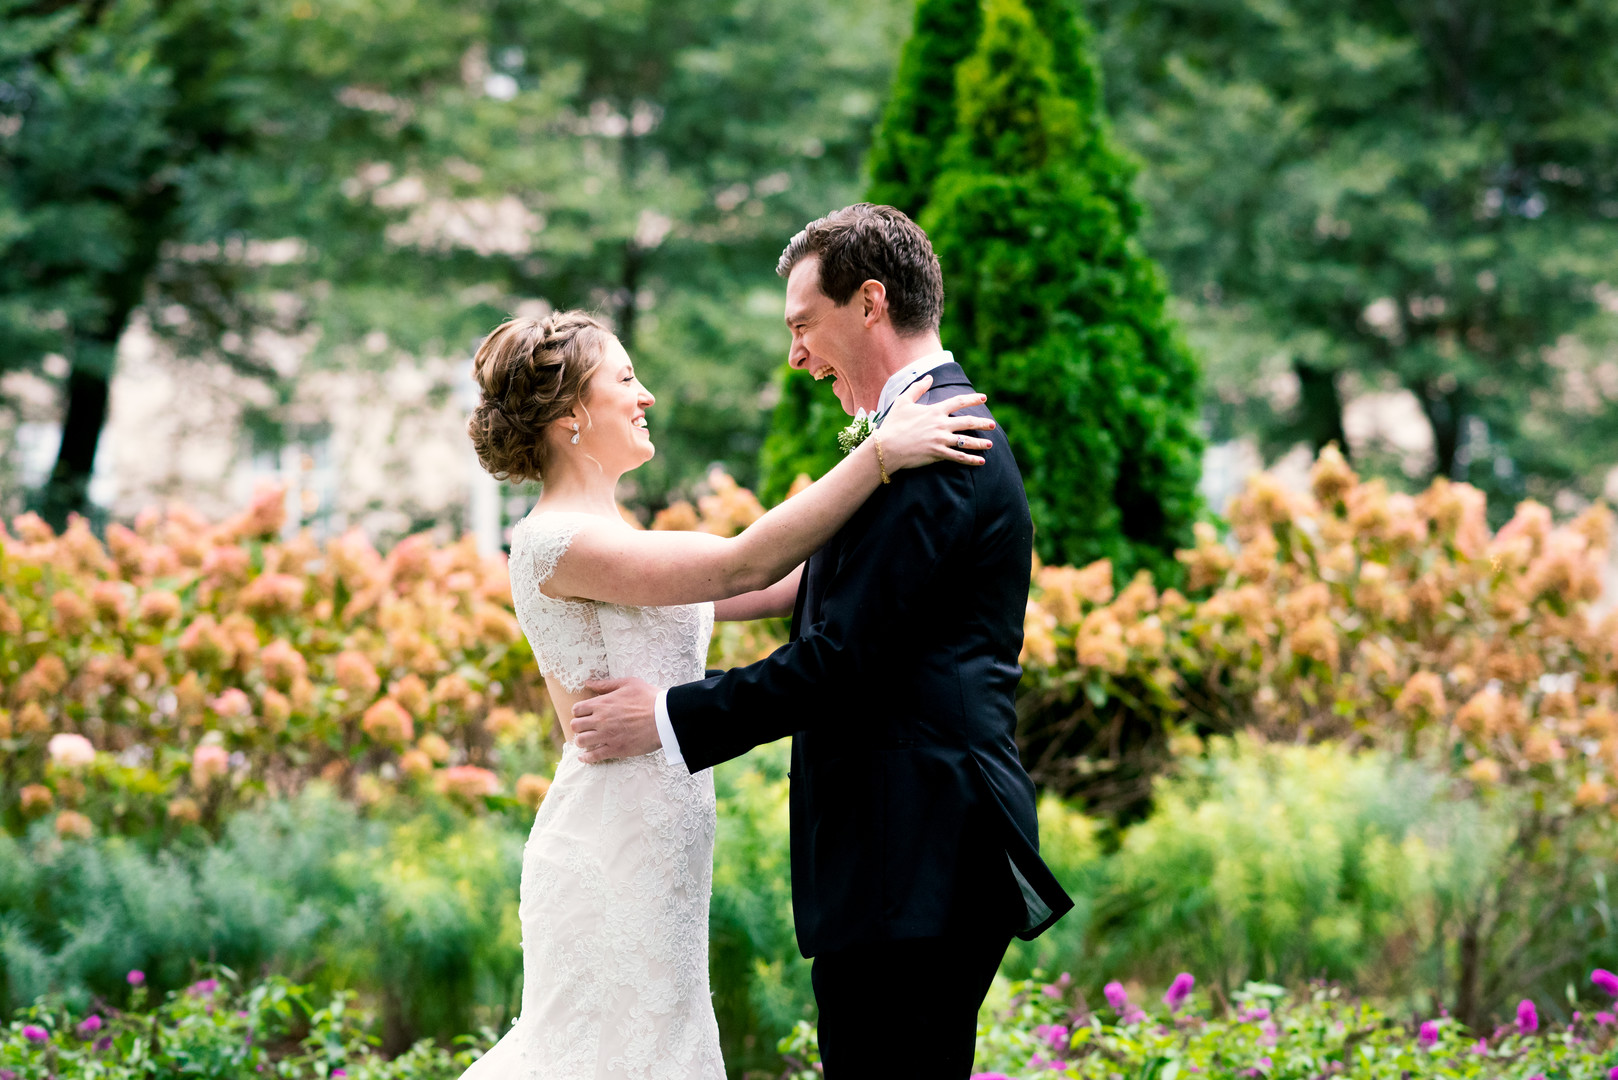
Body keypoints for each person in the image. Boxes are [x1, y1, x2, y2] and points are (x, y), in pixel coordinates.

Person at [572, 203, 1074, 1077]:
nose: (797, 355)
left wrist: (666, 717)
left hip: (918, 855)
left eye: (804, 325)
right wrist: (651, 600)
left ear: (870, 303)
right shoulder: (907, 439)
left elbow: (843, 658)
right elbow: (827, 588)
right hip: (901, 859)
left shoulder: (943, 447)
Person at [458, 303, 996, 1079]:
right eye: (627, 378)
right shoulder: (556, 544)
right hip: (609, 847)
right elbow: (745, 563)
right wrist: (880, 454)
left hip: (662, 849)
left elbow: (789, 584)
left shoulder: (626, 549)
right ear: (572, 413)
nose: (646, 396)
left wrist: (931, 540)